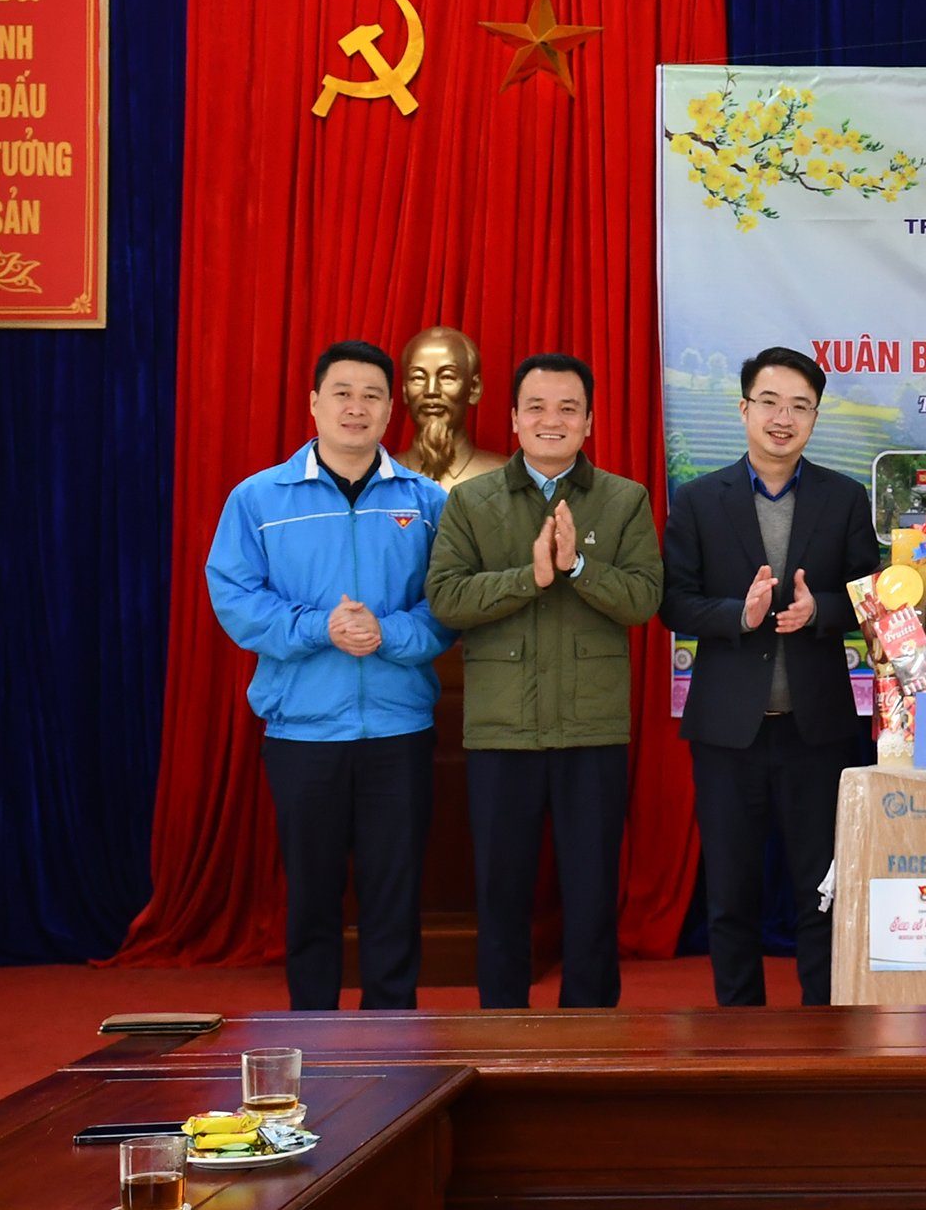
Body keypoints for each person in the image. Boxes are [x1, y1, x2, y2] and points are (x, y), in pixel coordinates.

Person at [205, 339, 454, 1011]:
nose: (356, 407)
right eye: (342, 392)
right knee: (312, 897)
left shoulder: (426, 500)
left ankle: (392, 1039)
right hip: (302, 734)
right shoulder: (259, 498)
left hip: (399, 731)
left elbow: (449, 603)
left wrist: (387, 633)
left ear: (391, 408)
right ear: (314, 402)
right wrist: (321, 627)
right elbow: (235, 597)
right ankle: (312, 1033)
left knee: (394, 897)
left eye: (372, 395)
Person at [427, 352, 663, 1008]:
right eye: (536, 407)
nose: (550, 420)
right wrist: (528, 577)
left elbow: (644, 599)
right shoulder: (471, 501)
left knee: (592, 892)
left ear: (589, 421)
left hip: (592, 729)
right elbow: (446, 598)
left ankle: (591, 1031)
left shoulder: (624, 499)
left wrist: (578, 565)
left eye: (567, 408)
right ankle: (502, 1029)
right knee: (501, 893)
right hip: (502, 730)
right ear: (512, 417)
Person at [658, 346, 878, 1007]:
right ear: (744, 408)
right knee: (731, 893)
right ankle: (739, 1032)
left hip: (818, 731)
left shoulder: (844, 497)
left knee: (822, 889)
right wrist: (739, 614)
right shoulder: (699, 500)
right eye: (771, 403)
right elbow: (673, 601)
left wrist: (821, 611)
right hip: (728, 732)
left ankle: (825, 1028)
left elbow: (871, 596)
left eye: (800, 406)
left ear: (815, 417)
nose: (784, 418)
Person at [399, 325, 510, 490]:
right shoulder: (379, 477)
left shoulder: (507, 479)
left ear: (474, 388)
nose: (431, 391)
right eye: (418, 378)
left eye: (447, 377)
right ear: (404, 390)